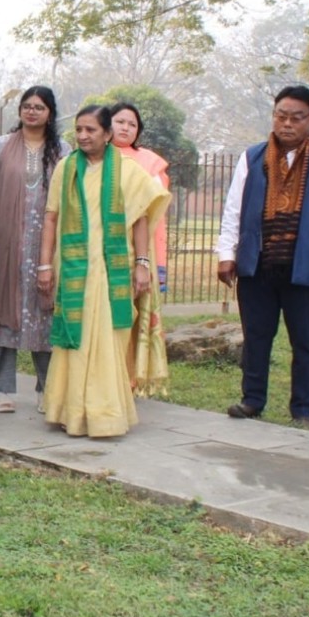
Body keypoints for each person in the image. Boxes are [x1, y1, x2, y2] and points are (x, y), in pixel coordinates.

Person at [216, 85, 309, 428]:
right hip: (258, 262)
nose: (287, 124)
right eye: (281, 116)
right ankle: (252, 399)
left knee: (305, 340)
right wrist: (226, 254)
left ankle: (303, 409)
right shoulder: (253, 157)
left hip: (305, 265)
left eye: (296, 118)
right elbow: (234, 209)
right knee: (257, 335)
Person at [36, 105, 169, 438]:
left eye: (90, 130)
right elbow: (51, 217)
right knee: (74, 340)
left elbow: (141, 219)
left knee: (109, 340)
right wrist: (44, 264)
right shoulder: (66, 169)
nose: (82, 136)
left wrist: (142, 264)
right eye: (78, 129)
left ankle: (106, 415)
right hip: (75, 270)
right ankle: (71, 412)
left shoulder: (128, 170)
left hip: (114, 271)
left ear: (108, 134)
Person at [0, 85, 68, 414]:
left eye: (39, 107)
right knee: (1, 311)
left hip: (46, 248)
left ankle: (49, 389)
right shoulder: (1, 146)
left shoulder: (63, 151)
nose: (31, 111)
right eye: (27, 106)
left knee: (47, 314)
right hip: (4, 244)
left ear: (50, 112)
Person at [109, 101, 172, 397]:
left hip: (138, 250)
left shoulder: (150, 163)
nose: (125, 128)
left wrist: (147, 262)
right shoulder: (95, 157)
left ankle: (131, 379)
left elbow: (154, 213)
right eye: (119, 121)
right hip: (103, 249)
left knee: (132, 315)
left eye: (132, 124)